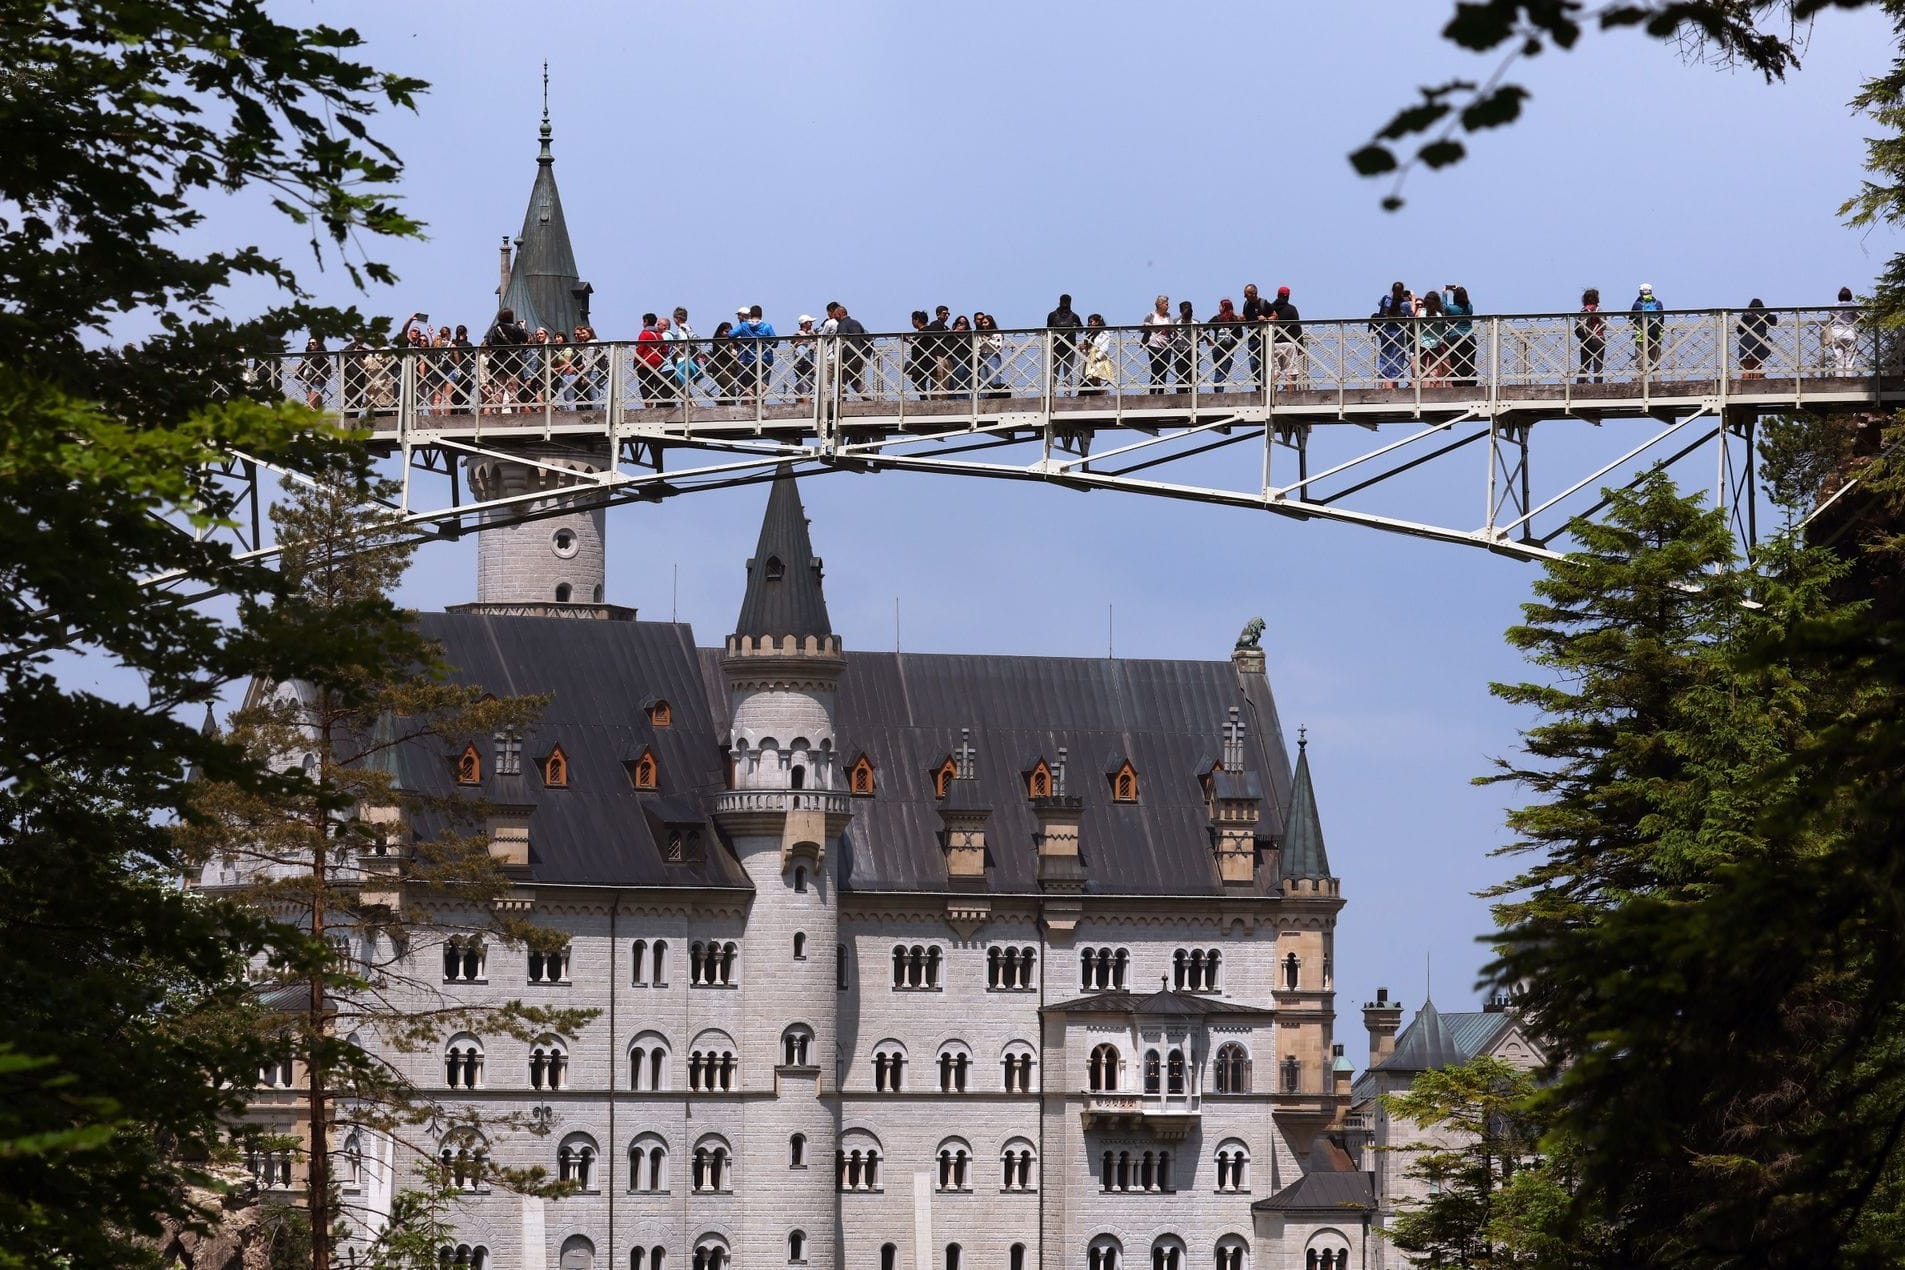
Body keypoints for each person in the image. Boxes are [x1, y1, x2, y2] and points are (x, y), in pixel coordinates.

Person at [1370, 282, 1411, 388]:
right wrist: (1411, 298)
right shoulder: (1405, 304)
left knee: (1385, 360)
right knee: (1397, 361)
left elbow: (1380, 305)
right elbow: (1411, 314)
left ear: (1392, 290)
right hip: (1398, 333)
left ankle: (1387, 389)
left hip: (1386, 333)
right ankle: (1394, 388)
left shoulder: (1386, 300)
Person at [827, 301, 868, 399]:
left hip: (848, 358)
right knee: (855, 381)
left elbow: (842, 341)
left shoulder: (842, 324)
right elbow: (867, 338)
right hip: (859, 356)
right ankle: (868, 398)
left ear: (840, 314)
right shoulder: (856, 323)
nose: (834, 316)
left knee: (841, 380)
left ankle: (840, 402)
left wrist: (839, 356)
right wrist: (866, 354)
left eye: (835, 314)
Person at [1269, 286, 1304, 389]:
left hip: (1273, 343)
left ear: (1277, 295)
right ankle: (1290, 395)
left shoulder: (1270, 308)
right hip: (1288, 344)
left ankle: (1271, 394)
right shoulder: (1291, 309)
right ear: (1288, 296)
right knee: (1290, 371)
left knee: (1274, 371)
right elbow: (1297, 328)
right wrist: (1300, 346)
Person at [1047, 293, 1083, 393]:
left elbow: (1048, 330)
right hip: (1070, 348)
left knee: (1054, 373)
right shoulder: (1074, 316)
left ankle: (1051, 393)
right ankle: (1067, 394)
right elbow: (1081, 330)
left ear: (1059, 302)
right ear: (1070, 303)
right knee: (1068, 373)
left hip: (1055, 347)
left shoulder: (1052, 315)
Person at [1206, 298, 1245, 391]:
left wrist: (1209, 340)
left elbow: (1204, 329)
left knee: (1218, 370)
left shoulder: (1216, 318)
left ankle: (1218, 391)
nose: (1219, 307)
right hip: (1229, 349)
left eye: (1220, 305)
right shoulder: (1234, 319)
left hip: (1217, 348)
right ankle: (1219, 391)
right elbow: (1240, 334)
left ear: (1224, 307)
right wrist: (1232, 338)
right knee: (1224, 371)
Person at [1442, 285, 1476, 386]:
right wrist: (1458, 291)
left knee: (1456, 363)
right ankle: (1471, 384)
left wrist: (1445, 293)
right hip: (1470, 338)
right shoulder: (1469, 307)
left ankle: (1458, 384)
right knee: (1469, 362)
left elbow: (1444, 307)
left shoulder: (1451, 309)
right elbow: (1468, 302)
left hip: (1455, 337)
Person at [1736, 299, 1777, 380]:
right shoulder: (1764, 315)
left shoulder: (1745, 316)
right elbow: (1774, 322)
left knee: (1746, 368)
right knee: (1757, 366)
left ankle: (1745, 382)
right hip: (1759, 342)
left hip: (1746, 342)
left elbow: (1739, 330)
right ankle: (1756, 381)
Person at [635, 314, 669, 407]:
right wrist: (659, 358)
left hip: (645, 364)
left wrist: (636, 361)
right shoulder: (659, 335)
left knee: (645, 387)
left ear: (646, 321)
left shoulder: (644, 334)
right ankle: (652, 406)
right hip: (656, 365)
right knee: (652, 386)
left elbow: (640, 349)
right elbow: (665, 350)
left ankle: (648, 408)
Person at [1415, 289, 1448, 387]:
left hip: (1422, 343)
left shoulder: (1421, 313)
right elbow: (1443, 328)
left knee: (1422, 369)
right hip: (1435, 344)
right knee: (1434, 368)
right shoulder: (1439, 315)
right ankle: (1432, 387)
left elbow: (1415, 323)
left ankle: (1422, 390)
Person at [1141, 294, 1174, 391]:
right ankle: (1152, 392)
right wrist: (1147, 325)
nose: (1168, 306)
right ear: (1160, 305)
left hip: (1166, 345)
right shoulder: (1151, 315)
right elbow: (1142, 329)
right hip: (1153, 344)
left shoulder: (1168, 316)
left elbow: (1172, 328)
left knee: (1164, 370)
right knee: (1155, 370)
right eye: (1166, 304)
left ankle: (1161, 392)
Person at [1240, 283, 1270, 387]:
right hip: (1252, 338)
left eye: (1246, 294)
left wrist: (1266, 319)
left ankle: (1267, 387)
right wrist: (1241, 318)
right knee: (1253, 364)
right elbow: (1245, 316)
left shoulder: (1264, 303)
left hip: (1264, 338)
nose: (1244, 296)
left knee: (1265, 364)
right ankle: (1259, 386)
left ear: (1254, 294)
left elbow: (1275, 315)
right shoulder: (1246, 304)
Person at [1630, 283, 1664, 373]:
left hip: (1641, 336)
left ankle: (1641, 384)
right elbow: (1662, 319)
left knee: (1640, 365)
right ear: (1651, 292)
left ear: (1640, 292)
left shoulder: (1637, 305)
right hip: (1656, 336)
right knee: (1655, 364)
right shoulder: (1658, 303)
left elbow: (1631, 319)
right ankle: (1657, 383)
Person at [1575, 288, 1605, 384]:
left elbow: (1577, 327)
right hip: (1598, 339)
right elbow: (1604, 325)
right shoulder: (1598, 310)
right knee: (1598, 365)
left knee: (1584, 365)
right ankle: (1598, 386)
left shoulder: (1583, 310)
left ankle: (1579, 384)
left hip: (1585, 340)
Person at [1828, 286, 1861, 374]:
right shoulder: (1854, 306)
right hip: (1849, 332)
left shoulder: (1835, 305)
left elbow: (1831, 319)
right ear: (1850, 296)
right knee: (1850, 359)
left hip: (1837, 332)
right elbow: (1859, 317)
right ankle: (1849, 379)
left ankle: (1839, 379)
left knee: (1838, 359)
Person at [1080, 313, 1114, 394]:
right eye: (1089, 322)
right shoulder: (1089, 334)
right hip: (1090, 357)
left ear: (1097, 322)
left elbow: (1105, 347)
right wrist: (1083, 349)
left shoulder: (1104, 333)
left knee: (1096, 375)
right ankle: (1096, 393)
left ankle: (1100, 393)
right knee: (1089, 376)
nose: (1089, 324)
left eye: (1091, 322)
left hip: (1100, 358)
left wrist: (1098, 357)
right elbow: (1088, 349)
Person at [708, 320, 741, 403]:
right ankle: (732, 411)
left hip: (729, 370)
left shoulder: (731, 341)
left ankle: (722, 410)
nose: (729, 334)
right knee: (730, 390)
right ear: (721, 331)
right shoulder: (719, 341)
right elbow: (725, 354)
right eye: (726, 331)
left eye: (730, 332)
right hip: (721, 370)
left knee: (725, 392)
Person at [974, 311, 1005, 397]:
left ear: (990, 323)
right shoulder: (980, 334)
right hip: (983, 356)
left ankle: (996, 399)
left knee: (994, 381)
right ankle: (983, 401)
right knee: (983, 381)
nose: (983, 325)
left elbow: (998, 347)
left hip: (993, 357)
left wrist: (987, 340)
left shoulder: (996, 333)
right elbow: (977, 347)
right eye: (982, 323)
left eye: (985, 322)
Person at [295, 337, 330, 410]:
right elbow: (303, 367)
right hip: (309, 382)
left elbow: (327, 369)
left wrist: (320, 377)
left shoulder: (323, 355)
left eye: (313, 343)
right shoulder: (307, 355)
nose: (311, 345)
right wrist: (299, 367)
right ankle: (318, 420)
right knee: (316, 407)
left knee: (310, 406)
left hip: (318, 382)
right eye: (309, 343)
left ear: (318, 345)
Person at [1172, 299, 1197, 393]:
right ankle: (1181, 396)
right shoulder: (1175, 322)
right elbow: (1172, 336)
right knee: (1180, 376)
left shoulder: (1196, 323)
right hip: (1179, 351)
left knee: (1193, 377)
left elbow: (1200, 337)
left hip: (1192, 352)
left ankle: (1194, 395)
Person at [791, 315, 818, 404]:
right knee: (800, 390)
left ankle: (807, 411)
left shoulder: (809, 335)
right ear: (804, 324)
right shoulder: (800, 335)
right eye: (810, 322)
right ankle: (806, 410)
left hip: (805, 367)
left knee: (803, 391)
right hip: (805, 366)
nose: (811, 324)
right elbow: (795, 342)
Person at [949, 314, 975, 397]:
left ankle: (966, 400)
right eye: (959, 322)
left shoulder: (970, 335)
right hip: (956, 360)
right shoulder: (952, 334)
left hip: (968, 361)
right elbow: (949, 346)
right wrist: (954, 333)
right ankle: (959, 399)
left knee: (967, 384)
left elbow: (971, 346)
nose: (961, 324)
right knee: (958, 383)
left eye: (964, 323)